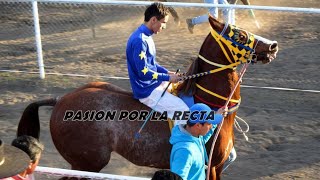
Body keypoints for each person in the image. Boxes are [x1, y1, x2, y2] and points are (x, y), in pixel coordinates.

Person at [126, 2, 189, 125]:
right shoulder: (140, 40)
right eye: (164, 22)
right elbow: (144, 73)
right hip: (146, 90)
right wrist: (168, 77)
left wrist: (167, 73)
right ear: (154, 20)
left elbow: (152, 64)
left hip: (153, 84)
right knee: (184, 112)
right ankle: (180, 143)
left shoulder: (145, 36)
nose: (164, 27)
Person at [170, 103, 227, 180]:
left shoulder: (194, 137)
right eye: (209, 124)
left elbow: (202, 140)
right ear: (198, 125)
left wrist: (217, 115)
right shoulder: (184, 151)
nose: (210, 127)